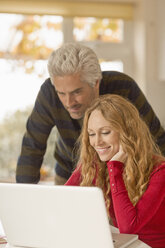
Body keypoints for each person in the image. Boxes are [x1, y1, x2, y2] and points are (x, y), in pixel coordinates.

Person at [16, 42, 165, 185]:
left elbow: (157, 140)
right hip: (70, 171)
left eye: (77, 92)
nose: (69, 102)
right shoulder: (49, 93)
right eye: (61, 93)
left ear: (96, 83)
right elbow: (32, 146)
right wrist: (22, 198)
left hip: (122, 175)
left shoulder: (124, 88)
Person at [65, 94, 165, 248]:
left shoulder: (160, 171)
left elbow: (128, 228)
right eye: (91, 134)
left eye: (105, 132)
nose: (97, 142)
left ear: (127, 132)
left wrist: (115, 167)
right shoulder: (94, 166)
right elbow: (61, 200)